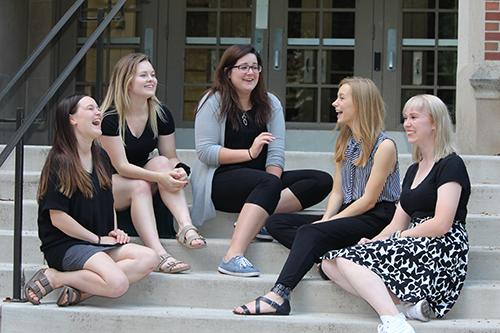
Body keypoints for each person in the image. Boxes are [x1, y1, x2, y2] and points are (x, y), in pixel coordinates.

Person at [233, 77, 401, 315]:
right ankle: (331, 256)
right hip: (349, 213)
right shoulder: (347, 141)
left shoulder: (384, 146)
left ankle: (278, 295)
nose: (335, 103)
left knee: (309, 232)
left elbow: (369, 200)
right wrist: (327, 218)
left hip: (376, 216)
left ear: (361, 104)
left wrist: (330, 223)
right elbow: (337, 191)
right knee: (275, 222)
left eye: (342, 98)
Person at [320, 94, 471, 333]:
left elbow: (442, 223)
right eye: (404, 118)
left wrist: (400, 237)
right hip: (412, 241)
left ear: (434, 123)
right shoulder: (413, 169)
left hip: (441, 247)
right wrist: (375, 241)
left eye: (414, 117)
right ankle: (405, 309)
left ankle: (393, 321)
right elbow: (397, 222)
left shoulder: (451, 164)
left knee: (347, 260)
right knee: (329, 263)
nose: (406, 124)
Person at [192, 44, 332, 277]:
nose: (251, 73)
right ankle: (232, 256)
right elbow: (205, 152)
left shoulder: (270, 103)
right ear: (228, 72)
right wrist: (249, 153)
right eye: (243, 67)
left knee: (320, 180)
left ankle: (259, 218)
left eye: (255, 67)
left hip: (262, 183)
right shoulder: (213, 101)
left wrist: (272, 183)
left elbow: (276, 154)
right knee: (268, 183)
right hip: (220, 181)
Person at [24, 95, 157, 306]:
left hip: (97, 243)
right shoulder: (61, 161)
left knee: (150, 258)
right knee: (118, 284)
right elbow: (58, 218)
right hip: (67, 245)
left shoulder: (101, 156)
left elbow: (108, 199)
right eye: (90, 108)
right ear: (72, 119)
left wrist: (114, 230)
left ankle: (77, 289)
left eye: (98, 108)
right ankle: (55, 277)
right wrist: (96, 239)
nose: (99, 113)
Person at [100, 53, 205, 274]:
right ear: (127, 81)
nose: (151, 79)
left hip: (144, 177)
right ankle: (158, 254)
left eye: (153, 74)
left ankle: (186, 227)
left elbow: (170, 155)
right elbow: (121, 166)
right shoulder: (109, 117)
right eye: (144, 75)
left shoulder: (161, 113)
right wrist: (160, 177)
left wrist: (177, 170)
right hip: (109, 184)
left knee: (161, 162)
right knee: (141, 183)